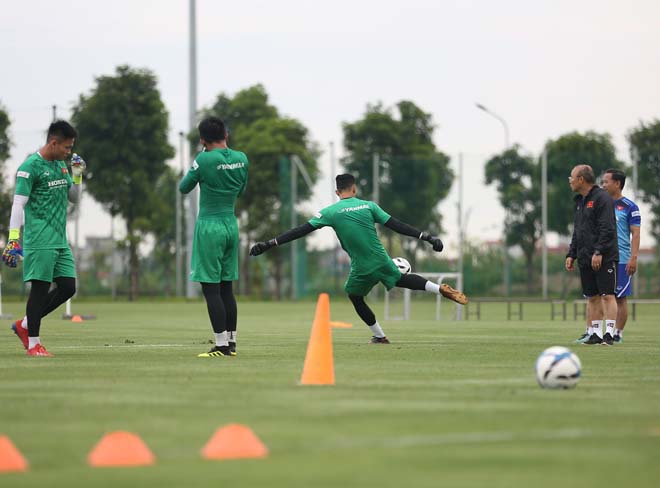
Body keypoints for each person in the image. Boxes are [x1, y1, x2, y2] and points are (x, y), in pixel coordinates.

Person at [249, 173, 468, 344]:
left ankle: (380, 336)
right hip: (381, 259)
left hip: (362, 267)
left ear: (337, 192)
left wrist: (269, 243)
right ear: (354, 188)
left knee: (354, 296)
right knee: (401, 279)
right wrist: (427, 237)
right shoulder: (369, 206)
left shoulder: (329, 212)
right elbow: (396, 225)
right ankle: (438, 289)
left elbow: (300, 230)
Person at [3, 120, 85, 357]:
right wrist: (13, 239)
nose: (69, 152)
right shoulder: (30, 167)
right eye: (67, 147)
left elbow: (74, 198)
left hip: (60, 239)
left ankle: (25, 325)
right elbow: (18, 204)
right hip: (39, 239)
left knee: (69, 287)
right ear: (54, 142)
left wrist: (77, 176)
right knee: (39, 290)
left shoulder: (60, 165)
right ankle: (33, 344)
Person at [179, 116, 248, 358]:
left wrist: (199, 164)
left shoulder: (203, 159)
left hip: (209, 226)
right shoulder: (242, 158)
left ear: (202, 140)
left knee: (211, 289)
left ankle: (220, 345)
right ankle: (232, 342)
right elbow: (241, 189)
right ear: (226, 135)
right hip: (231, 224)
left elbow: (184, 187)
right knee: (227, 287)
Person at [578, 169, 640, 345]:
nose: (603, 185)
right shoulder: (598, 202)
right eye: (602, 182)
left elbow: (635, 234)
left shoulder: (630, 207)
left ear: (617, 184)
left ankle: (617, 333)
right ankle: (592, 332)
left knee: (618, 297)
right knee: (594, 295)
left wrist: (633, 257)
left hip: (621, 258)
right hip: (600, 255)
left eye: (606, 182)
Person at [565, 164, 618, 346]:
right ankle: (595, 333)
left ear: (581, 179)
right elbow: (577, 231)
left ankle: (609, 334)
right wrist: (571, 254)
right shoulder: (580, 201)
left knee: (607, 295)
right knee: (592, 296)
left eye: (571, 177)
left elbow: (607, 228)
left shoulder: (602, 198)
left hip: (603, 256)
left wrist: (599, 252)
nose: (569, 181)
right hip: (585, 256)